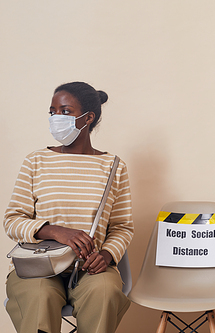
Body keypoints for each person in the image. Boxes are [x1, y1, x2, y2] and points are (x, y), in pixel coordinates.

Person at [3, 82, 134, 333]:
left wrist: (106, 256)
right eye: (52, 112)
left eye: (65, 111)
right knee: (40, 297)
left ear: (88, 118)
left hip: (89, 267)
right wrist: (55, 231)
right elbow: (12, 219)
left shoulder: (113, 166)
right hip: (37, 265)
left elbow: (122, 227)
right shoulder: (36, 161)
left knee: (105, 292)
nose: (56, 118)